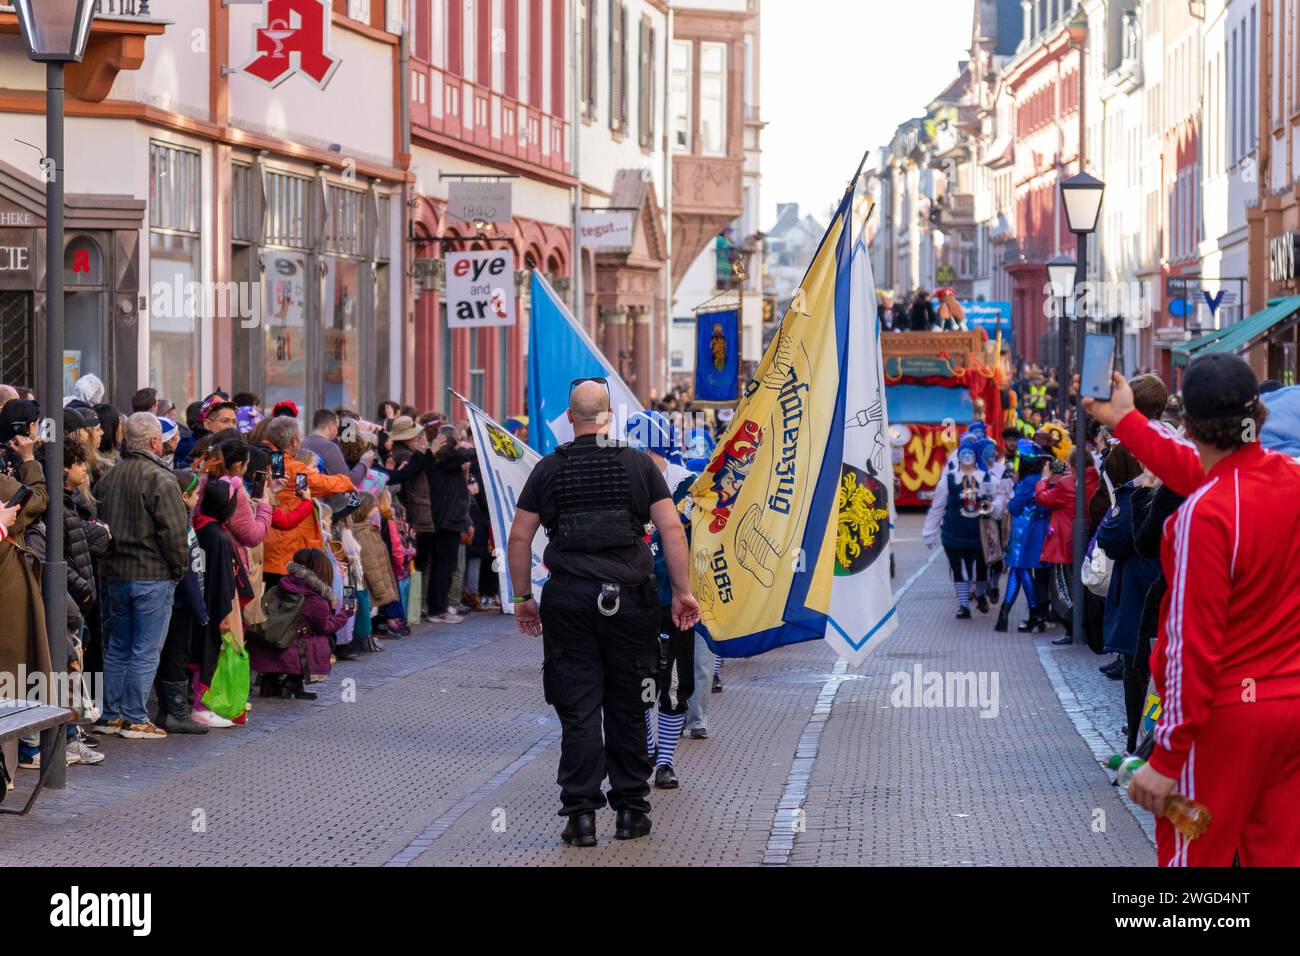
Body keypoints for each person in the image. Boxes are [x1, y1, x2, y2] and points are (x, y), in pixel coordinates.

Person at [1085, 356, 1300, 866]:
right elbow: (1202, 466)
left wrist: (1166, 756)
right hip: (1290, 710)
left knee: (1193, 870)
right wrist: (1127, 422)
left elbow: (1187, 649)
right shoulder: (1287, 477)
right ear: (1257, 416)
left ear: (1189, 425)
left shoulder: (1202, 516)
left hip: (1223, 726)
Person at [507, 381, 701, 847]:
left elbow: (519, 538)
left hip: (569, 602)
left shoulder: (549, 469)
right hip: (630, 603)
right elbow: (671, 527)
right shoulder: (637, 463)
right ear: (609, 415)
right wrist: (681, 593)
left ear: (571, 419)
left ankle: (580, 817)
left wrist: (521, 599)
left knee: (577, 709)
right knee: (630, 706)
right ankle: (632, 811)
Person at [93, 412, 190, 739]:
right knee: (145, 649)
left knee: (118, 645)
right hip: (151, 574)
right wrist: (179, 570)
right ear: (153, 442)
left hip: (114, 573)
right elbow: (175, 534)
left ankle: (110, 716)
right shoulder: (161, 479)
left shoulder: (109, 477)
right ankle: (134, 717)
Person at [625, 411, 698, 791]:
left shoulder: (689, 487)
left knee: (673, 683)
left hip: (675, 601)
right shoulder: (624, 482)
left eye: (641, 447)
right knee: (639, 680)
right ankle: (651, 746)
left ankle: (665, 761)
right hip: (634, 601)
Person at [260, 416, 355, 588]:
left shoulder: (273, 459)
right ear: (294, 441)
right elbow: (319, 484)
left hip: (270, 546)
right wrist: (346, 482)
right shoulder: (290, 466)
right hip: (286, 550)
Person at [251, 547, 353, 700]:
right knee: (325, 640)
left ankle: (270, 681)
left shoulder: (282, 585)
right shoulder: (315, 599)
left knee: (297, 631)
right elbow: (325, 627)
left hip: (265, 642)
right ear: (323, 571)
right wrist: (345, 614)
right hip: (289, 649)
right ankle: (293, 682)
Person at [923, 438, 998, 618]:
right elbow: (938, 507)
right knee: (958, 570)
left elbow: (999, 499)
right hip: (954, 533)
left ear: (975, 456)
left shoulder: (987, 478)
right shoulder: (947, 480)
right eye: (963, 453)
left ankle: (980, 595)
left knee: (981, 569)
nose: (966, 456)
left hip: (979, 534)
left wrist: (995, 507)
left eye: (969, 453)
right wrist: (929, 532)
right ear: (958, 457)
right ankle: (964, 605)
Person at [1034, 441, 1099, 645]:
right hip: (1087, 541)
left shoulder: (1067, 483)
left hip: (1064, 542)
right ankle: (1086, 628)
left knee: (1063, 588)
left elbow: (1043, 498)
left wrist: (1044, 479)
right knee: (1083, 585)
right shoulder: (1096, 480)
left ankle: (1072, 628)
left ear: (1072, 465)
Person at [995, 440, 1050, 633]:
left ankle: (1032, 614)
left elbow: (1014, 507)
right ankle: (1009, 615)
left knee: (1020, 570)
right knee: (1018, 570)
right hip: (1034, 530)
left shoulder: (1027, 482)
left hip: (1024, 532)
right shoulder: (1039, 479)